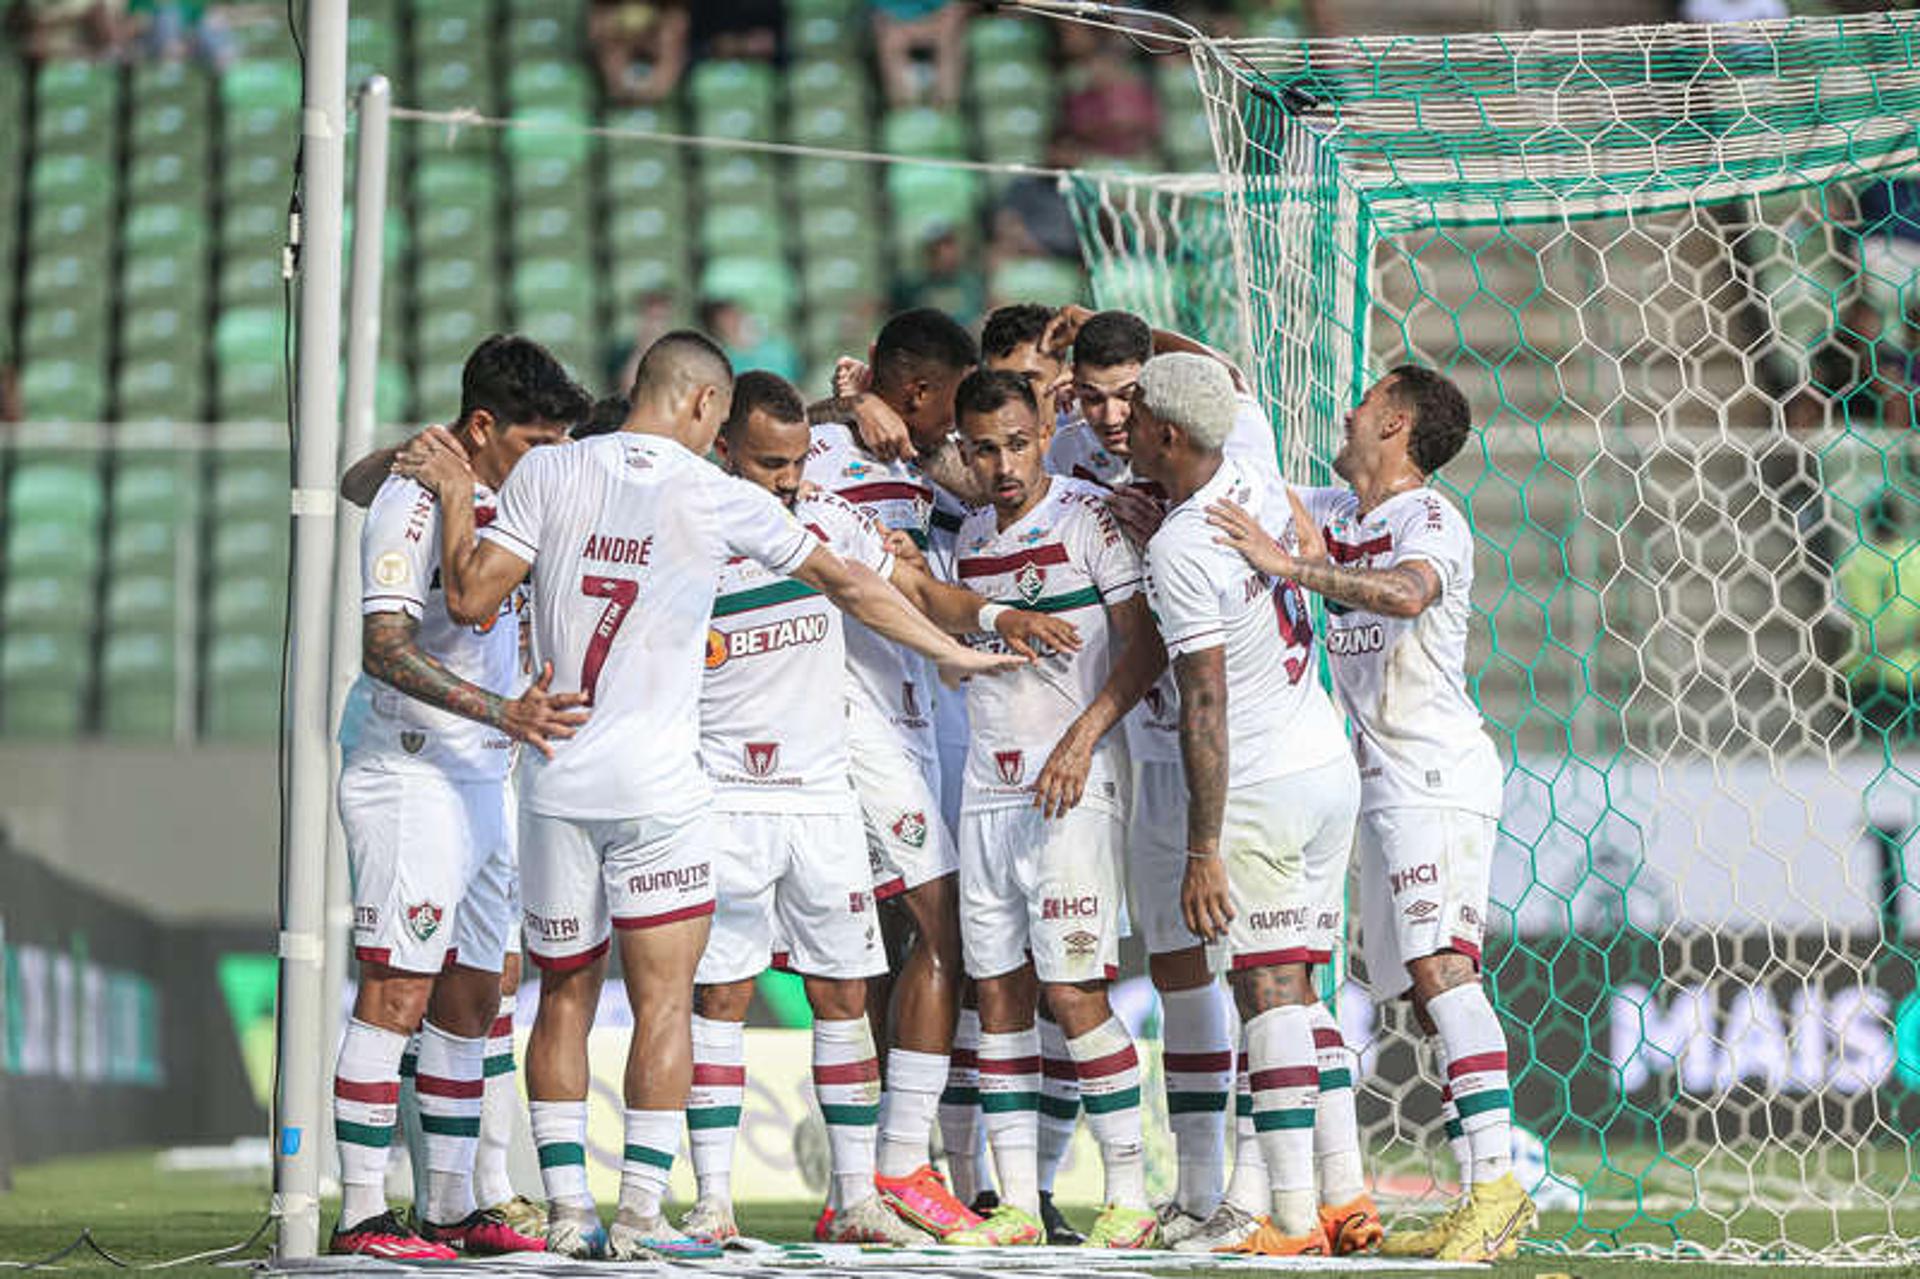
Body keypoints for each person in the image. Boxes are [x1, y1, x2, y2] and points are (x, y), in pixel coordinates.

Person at [398, 331, 1020, 1261]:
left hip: (557, 774)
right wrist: (954, 653)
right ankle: (646, 1215)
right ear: (700, 409)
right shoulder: (716, 495)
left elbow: (469, 596)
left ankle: (571, 1213)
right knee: (667, 1005)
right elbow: (846, 581)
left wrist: (454, 494)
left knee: (563, 994)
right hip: (667, 787)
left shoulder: (551, 473)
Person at [681, 373, 1073, 1248]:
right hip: (727, 782)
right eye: (768, 464)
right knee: (727, 987)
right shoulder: (686, 520)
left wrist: (989, 621)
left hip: (836, 767)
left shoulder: (823, 516)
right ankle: (711, 1196)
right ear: (722, 450)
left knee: (863, 976)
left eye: (792, 463)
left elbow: (904, 587)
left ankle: (871, 1183)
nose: (785, 480)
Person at [1207, 365, 1534, 1262]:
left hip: (1434, 773)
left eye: (1362, 404)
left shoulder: (1429, 517)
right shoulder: (1337, 511)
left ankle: (1498, 1186)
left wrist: (1287, 565)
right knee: (1410, 994)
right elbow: (1238, 447)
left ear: (1393, 423)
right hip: (1370, 784)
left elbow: (1408, 593)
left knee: (1442, 968)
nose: (1344, 412)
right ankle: (1356, 1197)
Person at [329, 336, 592, 1259]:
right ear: (480, 427)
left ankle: (450, 1206)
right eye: (533, 442)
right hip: (411, 768)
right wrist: (504, 710)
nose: (550, 462)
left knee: (478, 996)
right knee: (398, 986)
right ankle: (363, 1211)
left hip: (487, 770)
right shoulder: (411, 500)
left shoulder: (504, 489)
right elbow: (386, 649)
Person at [1128, 353, 1361, 1258]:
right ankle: (1342, 1191)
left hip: (1261, 783)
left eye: (1140, 415)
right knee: (1300, 982)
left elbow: (1206, 703)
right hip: (1324, 764)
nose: (1128, 427)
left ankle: (1290, 1219)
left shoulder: (1186, 544)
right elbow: (1309, 550)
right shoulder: (1256, 477)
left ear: (1170, 436)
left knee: (1263, 988)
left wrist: (1203, 847)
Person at [935, 370, 1167, 1250]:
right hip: (987, 791)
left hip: (1072, 785)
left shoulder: (1090, 516)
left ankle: (1129, 1193)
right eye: (984, 447)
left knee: (1073, 990)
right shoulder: (967, 540)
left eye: (1017, 442)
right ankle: (1019, 1208)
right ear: (965, 449)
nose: (1003, 463)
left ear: (1044, 430)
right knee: (998, 994)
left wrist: (1082, 738)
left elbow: (1144, 650)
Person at [804, 309, 991, 1240]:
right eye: (949, 403)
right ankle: (900, 1165)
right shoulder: (816, 455)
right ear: (914, 388)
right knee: (942, 927)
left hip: (916, 719)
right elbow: (748, 448)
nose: (958, 427)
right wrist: (844, 406)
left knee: (873, 949)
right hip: (849, 724)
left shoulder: (924, 466)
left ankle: (858, 1187)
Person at [870, 0, 965, 108]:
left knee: (949, 40)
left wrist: (930, 26)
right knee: (891, 43)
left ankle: (948, 108)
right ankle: (904, 109)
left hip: (940, 23)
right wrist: (908, 29)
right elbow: (882, 13)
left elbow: (953, 10)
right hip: (896, 26)